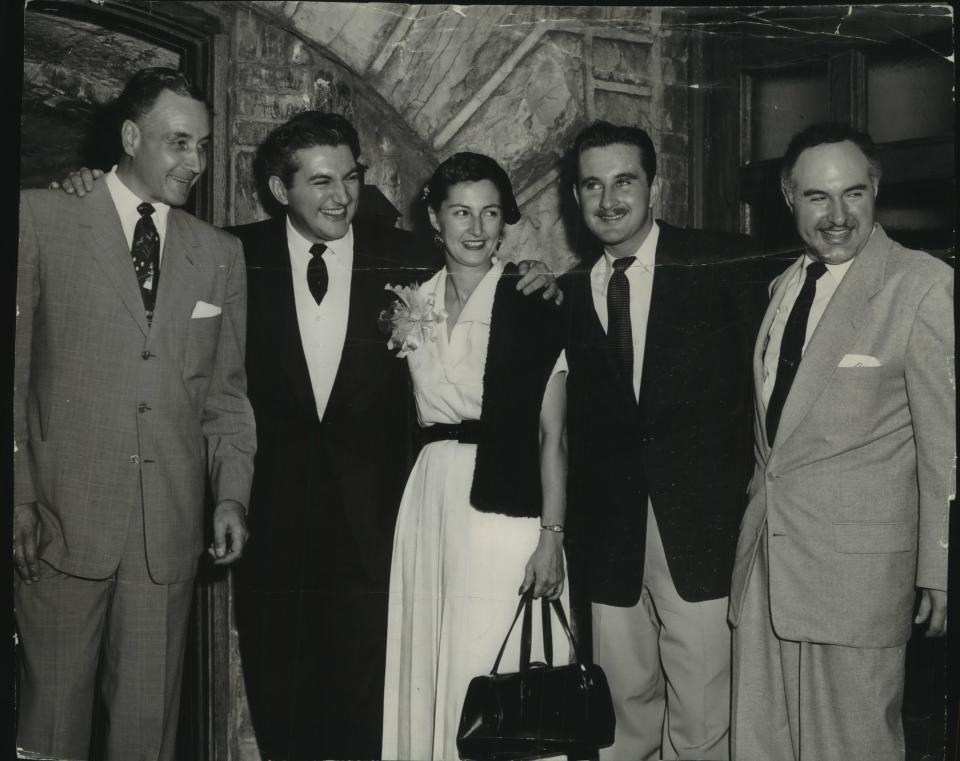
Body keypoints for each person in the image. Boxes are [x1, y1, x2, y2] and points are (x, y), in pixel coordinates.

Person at [54, 113, 560, 760]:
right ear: (277, 186)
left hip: (381, 526)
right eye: (320, 181)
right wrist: (82, 192)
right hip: (271, 523)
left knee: (371, 708)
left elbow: (482, 274)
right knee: (280, 702)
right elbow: (135, 239)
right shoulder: (227, 252)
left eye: (350, 177)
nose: (340, 196)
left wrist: (536, 277)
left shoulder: (403, 257)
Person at [14, 68, 255, 761]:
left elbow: (227, 395)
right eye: (179, 143)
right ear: (129, 137)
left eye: (204, 146)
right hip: (59, 526)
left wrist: (231, 491)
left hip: (167, 534)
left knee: (146, 739)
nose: (197, 163)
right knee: (50, 732)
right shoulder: (42, 218)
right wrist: (19, 499)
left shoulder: (218, 254)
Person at [728, 122, 953, 761]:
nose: (837, 215)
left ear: (876, 191)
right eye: (817, 198)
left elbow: (947, 442)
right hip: (768, 568)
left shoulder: (922, 285)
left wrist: (940, 567)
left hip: (857, 579)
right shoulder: (783, 288)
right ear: (788, 200)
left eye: (853, 193)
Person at [559, 121, 760, 760]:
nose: (608, 199)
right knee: (622, 717)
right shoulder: (566, 293)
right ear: (575, 196)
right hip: (610, 541)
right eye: (592, 184)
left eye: (625, 181)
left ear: (656, 185)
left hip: (701, 533)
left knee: (704, 715)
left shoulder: (722, 264)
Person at [381, 152, 570, 761]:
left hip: (504, 503)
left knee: (494, 656)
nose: (476, 227)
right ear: (435, 219)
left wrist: (551, 537)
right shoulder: (412, 299)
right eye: (460, 212)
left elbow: (553, 434)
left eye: (490, 213)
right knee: (434, 661)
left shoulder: (528, 296)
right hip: (432, 499)